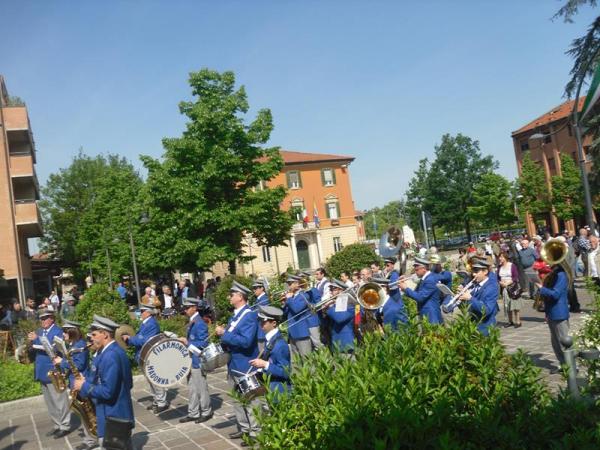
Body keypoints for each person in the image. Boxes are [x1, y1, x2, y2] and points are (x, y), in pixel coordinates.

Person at [74, 315, 135, 449]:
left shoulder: (110, 355)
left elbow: (108, 392)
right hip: (116, 413)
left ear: (105, 335)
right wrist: (88, 380)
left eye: (94, 334)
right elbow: (128, 383)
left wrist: (84, 386)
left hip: (113, 416)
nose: (91, 338)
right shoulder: (110, 352)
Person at [215, 281, 260, 441]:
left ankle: (255, 432)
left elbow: (246, 341)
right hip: (233, 363)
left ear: (240, 297)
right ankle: (244, 428)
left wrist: (224, 334)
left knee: (250, 400)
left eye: (232, 294)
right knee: (237, 400)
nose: (229, 297)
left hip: (245, 364)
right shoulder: (236, 315)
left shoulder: (249, 315)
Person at [27, 308, 72, 438]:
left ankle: (65, 425)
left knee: (59, 400)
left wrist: (37, 339)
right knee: (50, 401)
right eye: (41, 318)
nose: (42, 321)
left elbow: (52, 348)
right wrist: (30, 343)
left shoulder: (58, 331)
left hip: (54, 370)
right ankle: (57, 424)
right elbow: (35, 347)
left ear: (51, 318)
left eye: (45, 318)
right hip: (41, 370)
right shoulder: (39, 331)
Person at [53, 320, 96, 450]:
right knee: (84, 413)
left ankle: (91, 440)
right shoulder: (73, 345)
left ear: (72, 332)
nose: (63, 334)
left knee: (88, 412)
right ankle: (90, 438)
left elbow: (79, 365)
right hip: (75, 383)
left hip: (82, 383)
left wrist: (62, 362)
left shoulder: (80, 345)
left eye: (65, 332)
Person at [122, 305, 168, 414]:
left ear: (148, 312)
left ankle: (162, 402)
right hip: (145, 355)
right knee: (151, 380)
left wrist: (130, 339)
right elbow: (140, 338)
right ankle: (157, 400)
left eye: (142, 311)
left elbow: (144, 341)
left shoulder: (151, 324)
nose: (140, 313)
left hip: (150, 355)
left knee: (155, 379)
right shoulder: (146, 323)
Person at [178, 298, 213, 423]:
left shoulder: (199, 323)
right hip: (191, 360)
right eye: (185, 308)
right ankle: (193, 412)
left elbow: (204, 343)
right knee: (192, 388)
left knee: (201, 387)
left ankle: (206, 411)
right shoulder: (193, 321)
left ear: (194, 308)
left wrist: (187, 343)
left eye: (187, 308)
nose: (185, 310)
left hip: (198, 360)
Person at [535, 260, 571, 373]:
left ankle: (571, 367)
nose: (547, 262)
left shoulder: (561, 275)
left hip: (559, 312)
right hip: (552, 311)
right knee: (555, 342)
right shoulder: (554, 273)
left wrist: (541, 288)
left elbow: (555, 294)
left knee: (563, 342)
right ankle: (564, 365)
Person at [249, 305, 292, 399]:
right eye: (260, 321)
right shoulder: (270, 339)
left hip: (280, 392)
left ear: (274, 323)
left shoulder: (280, 344)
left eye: (264, 322)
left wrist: (265, 364)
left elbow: (285, 372)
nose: (261, 324)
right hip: (271, 388)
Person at [458, 258, 499, 336]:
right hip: (472, 326)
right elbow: (467, 307)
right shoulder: (474, 285)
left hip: (485, 328)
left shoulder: (491, 287)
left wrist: (470, 298)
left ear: (485, 271)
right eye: (473, 271)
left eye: (476, 272)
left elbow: (486, 310)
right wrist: (461, 296)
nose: (473, 274)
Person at [399, 256, 443, 325]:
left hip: (431, 316)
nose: (415, 272)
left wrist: (406, 288)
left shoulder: (430, 280)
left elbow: (420, 297)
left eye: (417, 270)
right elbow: (415, 293)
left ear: (424, 269)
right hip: (426, 314)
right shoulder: (425, 279)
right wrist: (405, 285)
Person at [282, 275, 312, 357]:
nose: (288, 286)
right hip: (292, 333)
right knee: (296, 362)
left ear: (297, 284)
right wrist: (284, 303)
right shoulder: (291, 297)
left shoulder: (304, 296)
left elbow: (296, 309)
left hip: (301, 333)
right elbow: (284, 313)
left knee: (307, 359)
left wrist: (288, 299)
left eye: (290, 283)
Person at [325, 279, 356, 354]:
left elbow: (339, 319)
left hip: (346, 342)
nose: (330, 292)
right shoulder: (335, 305)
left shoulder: (351, 305)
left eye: (333, 289)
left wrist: (329, 308)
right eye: (330, 289)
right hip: (336, 342)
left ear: (341, 291)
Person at [300, 271, 324, 351]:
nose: (301, 283)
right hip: (303, 321)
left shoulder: (313, 290)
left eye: (302, 280)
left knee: (316, 342)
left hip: (312, 320)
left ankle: (326, 358)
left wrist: (310, 304)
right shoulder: (300, 292)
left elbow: (318, 304)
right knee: (308, 345)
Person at [497, 252, 521, 328]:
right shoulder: (499, 266)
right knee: (507, 305)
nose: (500, 258)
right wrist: (500, 282)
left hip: (512, 287)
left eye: (501, 257)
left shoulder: (512, 265)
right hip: (504, 288)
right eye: (499, 257)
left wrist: (508, 283)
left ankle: (518, 321)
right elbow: (497, 277)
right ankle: (510, 321)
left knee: (515, 304)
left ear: (505, 257)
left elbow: (515, 276)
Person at [252, 280, 270, 352]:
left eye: (256, 288)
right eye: (253, 288)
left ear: (262, 288)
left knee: (263, 355)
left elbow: (258, 314)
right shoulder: (258, 300)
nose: (254, 290)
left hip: (262, 331)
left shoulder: (264, 299)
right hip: (259, 332)